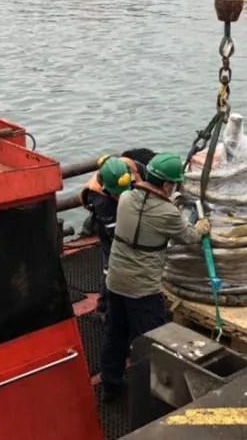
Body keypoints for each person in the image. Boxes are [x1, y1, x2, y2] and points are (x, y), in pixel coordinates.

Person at [99, 152, 210, 402]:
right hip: (142, 290)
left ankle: (111, 385)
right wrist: (202, 228)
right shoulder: (168, 213)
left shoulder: (126, 197)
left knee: (114, 334)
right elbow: (189, 237)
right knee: (151, 341)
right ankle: (149, 393)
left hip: (115, 281)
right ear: (169, 185)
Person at [79, 149, 155, 315]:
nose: (120, 196)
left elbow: (151, 186)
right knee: (113, 264)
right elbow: (118, 236)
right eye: (116, 194)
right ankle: (105, 307)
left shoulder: (133, 167)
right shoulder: (100, 198)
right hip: (108, 226)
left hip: (133, 213)